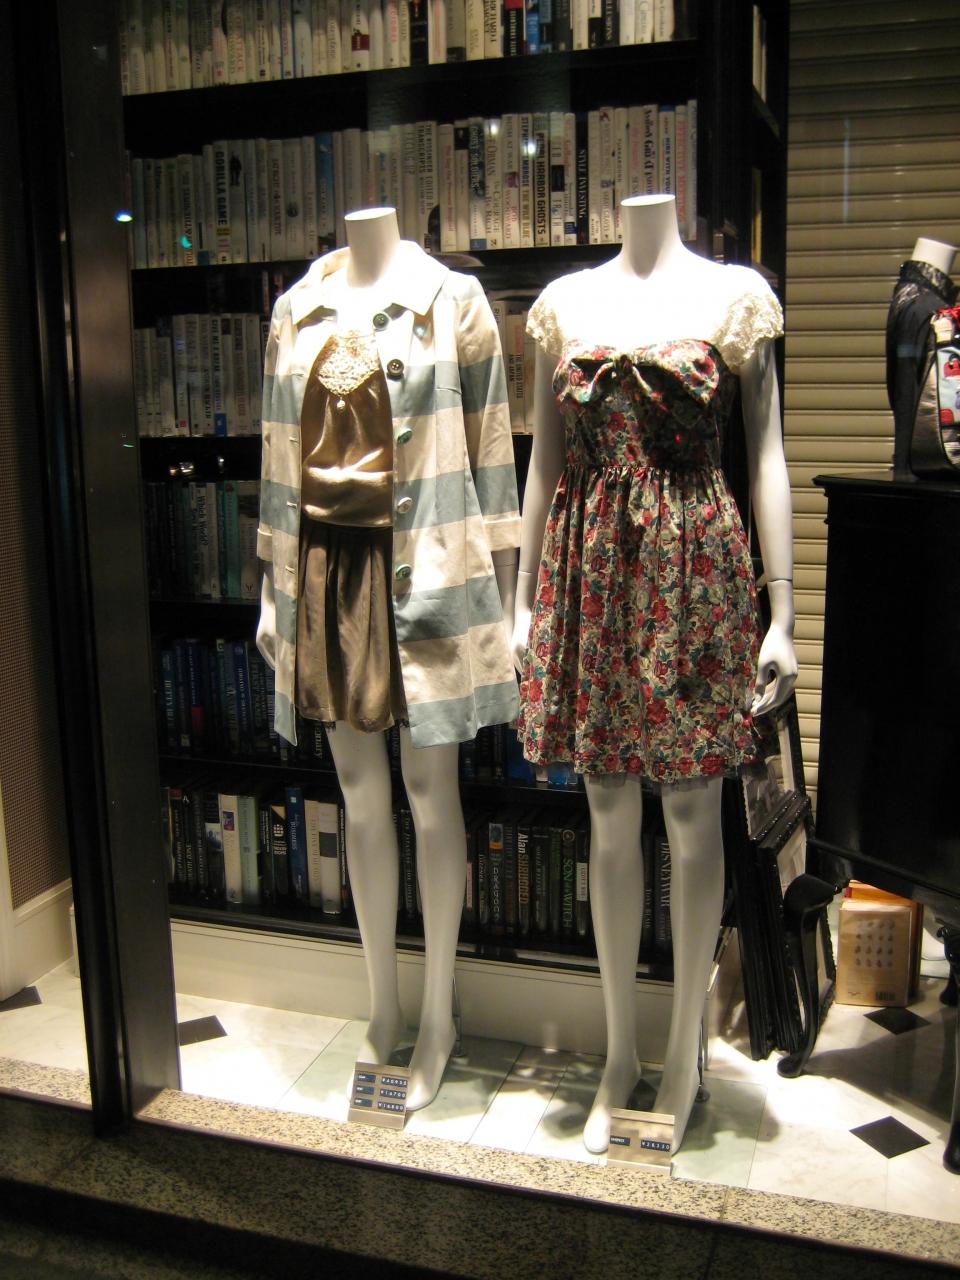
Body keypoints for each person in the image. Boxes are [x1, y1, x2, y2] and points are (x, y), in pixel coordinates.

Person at [514, 193, 797, 1152]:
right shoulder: (564, 304)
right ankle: (620, 1053)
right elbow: (544, 466)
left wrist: (785, 610)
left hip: (697, 567)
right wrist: (523, 601)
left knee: (692, 811)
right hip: (592, 569)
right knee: (607, 811)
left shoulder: (733, 298)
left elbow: (767, 454)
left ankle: (684, 1056)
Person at [257, 207, 520, 1109]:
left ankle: (439, 1014)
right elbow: (276, 458)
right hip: (327, 571)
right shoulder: (295, 310)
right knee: (359, 797)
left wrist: (506, 602)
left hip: (430, 561)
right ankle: (383, 1008)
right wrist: (270, 592)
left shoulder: (454, 301)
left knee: (432, 795)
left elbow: (493, 455)